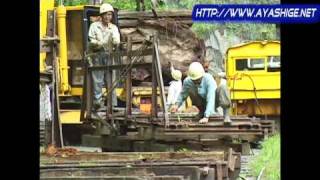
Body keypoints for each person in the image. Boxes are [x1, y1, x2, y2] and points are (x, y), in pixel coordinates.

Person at [88, 3, 120, 111]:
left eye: (110, 15)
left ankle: (112, 103)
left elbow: (116, 40)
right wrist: (100, 43)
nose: (108, 17)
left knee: (111, 79)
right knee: (98, 79)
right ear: (101, 15)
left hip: (110, 55)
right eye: (106, 14)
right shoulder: (94, 26)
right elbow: (91, 40)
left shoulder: (113, 28)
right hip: (97, 54)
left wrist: (115, 42)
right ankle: (97, 102)